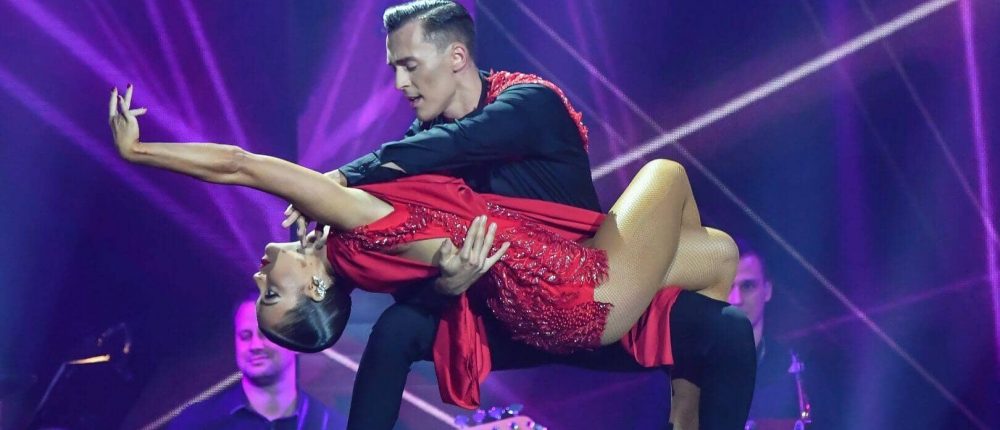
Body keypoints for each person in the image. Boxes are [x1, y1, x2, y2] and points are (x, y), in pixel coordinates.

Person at [108, 77, 739, 429]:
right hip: (585, 290)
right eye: (273, 291)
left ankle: (685, 407)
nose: (258, 274)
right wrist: (141, 152)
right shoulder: (352, 227)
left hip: (566, 300)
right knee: (665, 173)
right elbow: (240, 165)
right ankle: (683, 406)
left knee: (718, 257)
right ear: (318, 287)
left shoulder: (361, 257)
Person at [284, 1, 755, 429]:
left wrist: (337, 178)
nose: (399, 84)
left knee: (726, 312)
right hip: (504, 319)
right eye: (395, 69)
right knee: (396, 328)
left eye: (409, 66)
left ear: (456, 57)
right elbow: (403, 252)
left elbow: (460, 142)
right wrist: (446, 284)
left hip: (586, 301)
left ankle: (684, 414)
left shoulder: (529, 103)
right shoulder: (420, 145)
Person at [166, 292, 345, 430]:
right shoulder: (196, 423)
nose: (255, 345)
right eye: (245, 336)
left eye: (266, 334)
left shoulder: (332, 425)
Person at [728, 240, 805, 427]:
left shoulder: (795, 371)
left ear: (767, 291)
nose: (736, 299)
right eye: (727, 287)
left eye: (747, 286)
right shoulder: (686, 373)